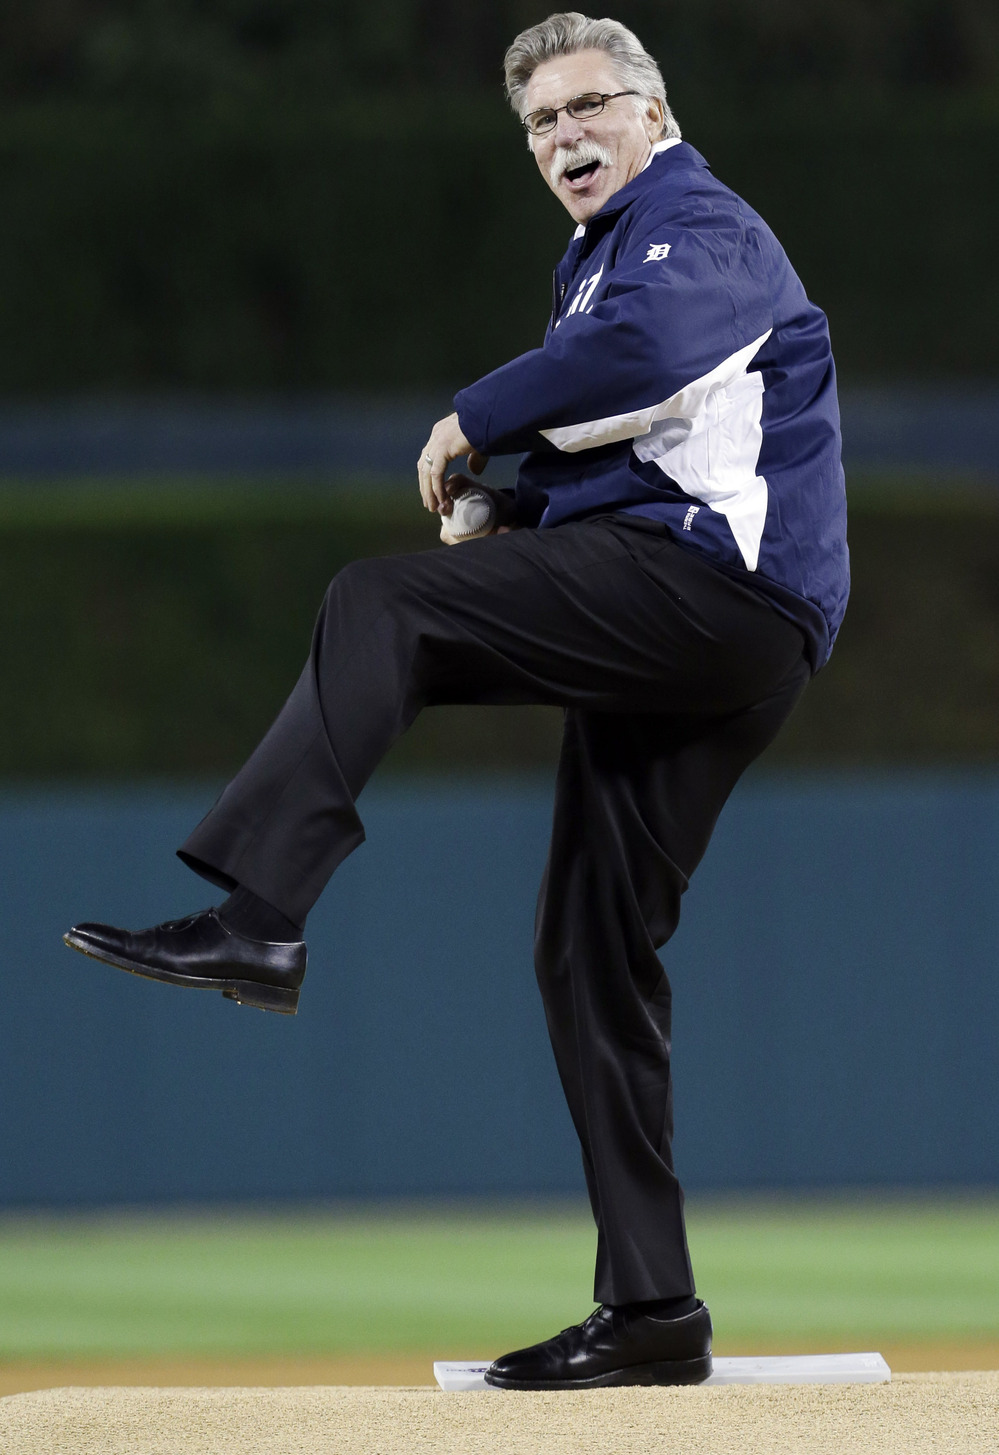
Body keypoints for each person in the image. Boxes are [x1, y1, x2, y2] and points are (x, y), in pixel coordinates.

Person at [64, 12, 848, 1390]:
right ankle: (654, 1308)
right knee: (590, 949)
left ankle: (260, 917)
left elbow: (651, 349)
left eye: (589, 106)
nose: (566, 137)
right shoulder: (595, 262)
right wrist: (516, 507)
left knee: (383, 607)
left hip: (717, 596)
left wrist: (472, 417)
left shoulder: (697, 223)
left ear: (654, 115)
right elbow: (643, 447)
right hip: (713, 615)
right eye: (542, 122)